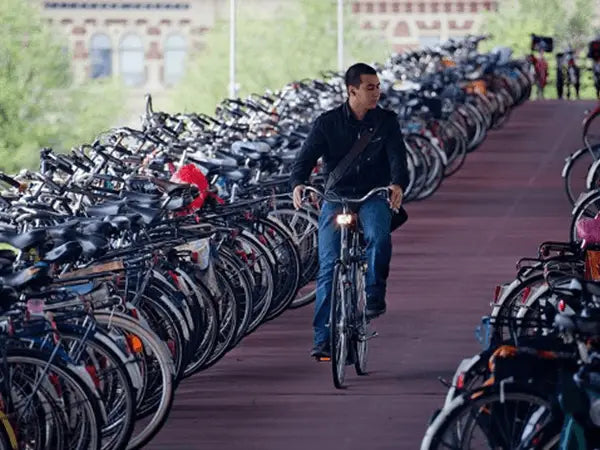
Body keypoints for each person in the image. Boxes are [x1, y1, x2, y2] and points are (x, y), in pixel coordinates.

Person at [289, 63, 409, 358]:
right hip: (336, 197)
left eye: (378, 87)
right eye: (370, 88)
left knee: (379, 239)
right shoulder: (327, 123)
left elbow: (398, 158)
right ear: (351, 90)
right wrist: (298, 183)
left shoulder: (386, 121)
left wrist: (397, 185)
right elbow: (303, 160)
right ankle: (323, 339)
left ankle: (374, 294)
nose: (377, 93)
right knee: (328, 267)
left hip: (373, 195)